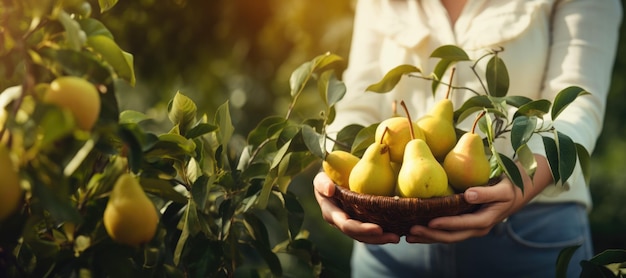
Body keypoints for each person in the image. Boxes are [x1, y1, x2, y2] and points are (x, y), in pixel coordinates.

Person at [313, 0, 622, 277]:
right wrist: (335, 170)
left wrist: (520, 185)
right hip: (392, 238)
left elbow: (577, 104)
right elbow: (359, 99)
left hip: (530, 234)